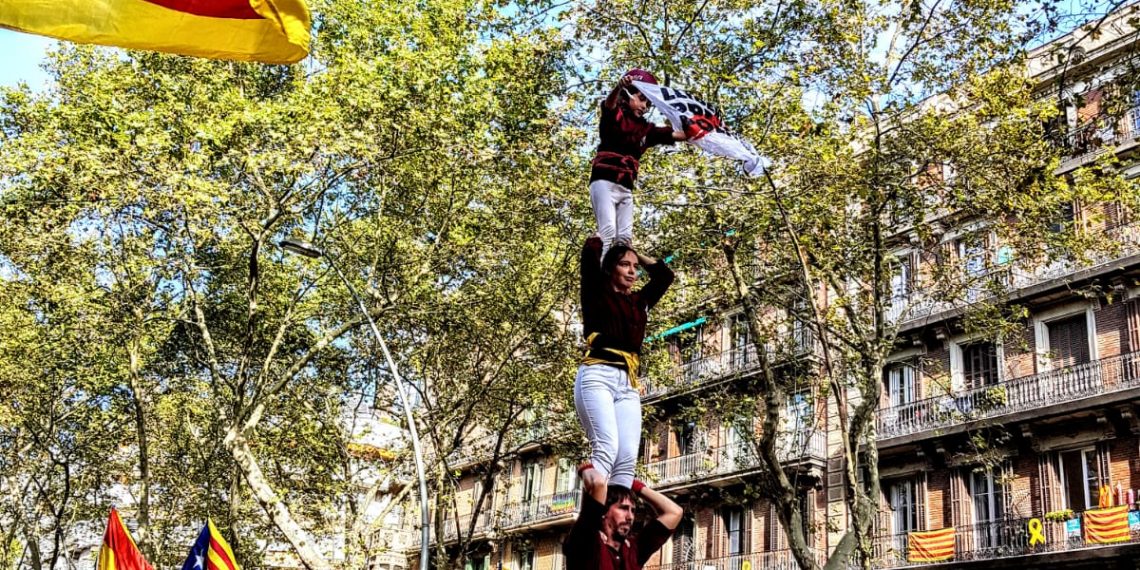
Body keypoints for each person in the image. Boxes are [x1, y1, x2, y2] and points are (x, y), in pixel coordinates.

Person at [576, 235, 673, 492]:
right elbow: (591, 252)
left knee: (627, 459)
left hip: (628, 383)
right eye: (624, 265)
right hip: (598, 375)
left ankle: (614, 522)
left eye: (635, 267)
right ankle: (590, 519)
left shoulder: (639, 303)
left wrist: (634, 251)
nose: (632, 271)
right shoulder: (597, 293)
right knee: (606, 447)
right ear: (610, 268)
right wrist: (610, 236)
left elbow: (665, 277)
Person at [590, 69, 689, 255]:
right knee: (608, 230)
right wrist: (618, 86)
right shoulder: (615, 116)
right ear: (627, 95)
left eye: (649, 103)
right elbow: (608, 104)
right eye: (642, 99)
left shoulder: (646, 129)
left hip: (626, 187)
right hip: (604, 180)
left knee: (625, 238)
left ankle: (618, 274)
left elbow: (677, 135)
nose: (645, 106)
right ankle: (598, 271)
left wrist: (699, 129)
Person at [562, 475, 683, 570]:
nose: (630, 517)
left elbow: (674, 512)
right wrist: (586, 468)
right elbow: (598, 485)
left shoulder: (633, 550)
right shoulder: (586, 544)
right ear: (603, 511)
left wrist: (637, 487)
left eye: (633, 510)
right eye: (624, 508)